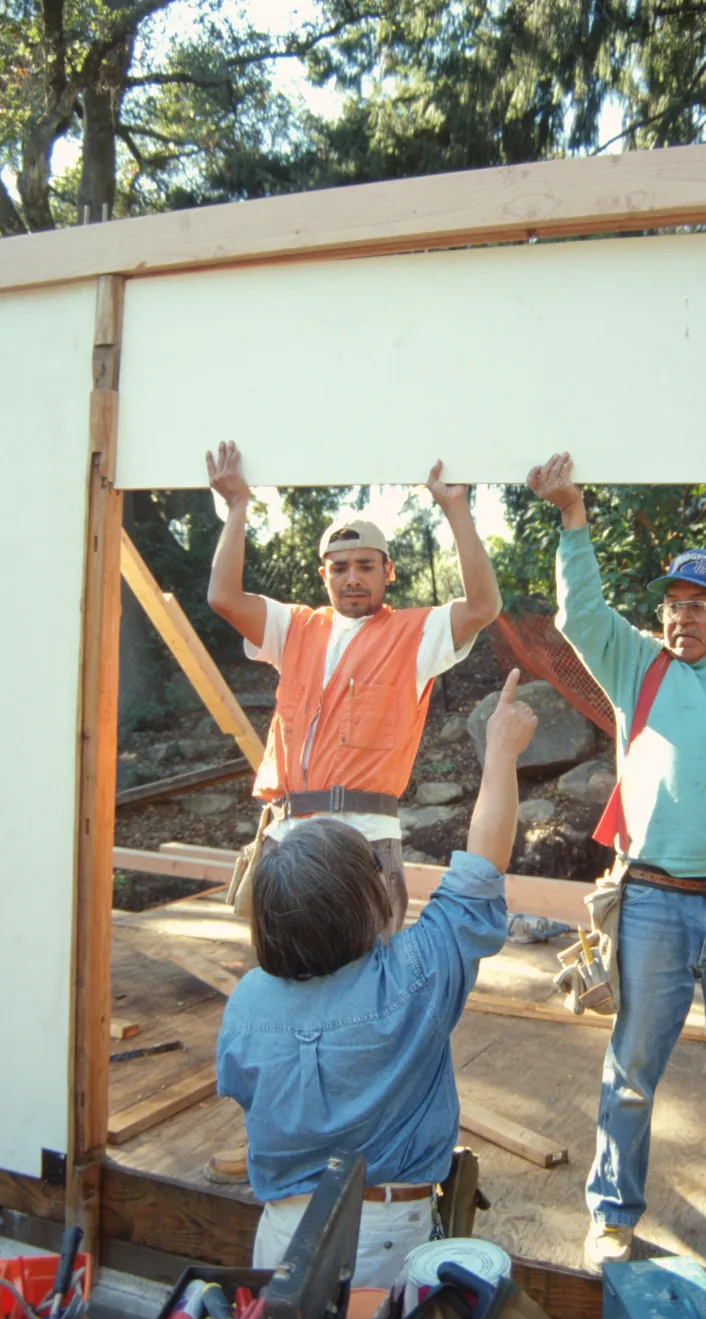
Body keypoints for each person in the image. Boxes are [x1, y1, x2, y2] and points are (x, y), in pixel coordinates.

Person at [528, 453, 706, 1274]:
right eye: (671, 604)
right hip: (652, 902)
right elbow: (581, 614)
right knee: (631, 1068)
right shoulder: (639, 667)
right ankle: (612, 1213)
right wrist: (572, 520)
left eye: (699, 604)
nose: (679, 616)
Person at [204, 439, 501, 1182]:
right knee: (277, 987)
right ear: (323, 575)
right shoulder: (295, 628)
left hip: (365, 839)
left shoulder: (416, 633)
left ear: (386, 574)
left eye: (365, 564)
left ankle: (369, 1140)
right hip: (289, 836)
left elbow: (483, 605)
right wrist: (237, 508)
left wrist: (456, 510)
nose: (351, 576)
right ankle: (266, 1135)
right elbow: (222, 598)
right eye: (338, 566)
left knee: (371, 991)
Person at [216, 670, 537, 1286]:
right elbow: (481, 869)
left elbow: (242, 1089)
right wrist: (501, 753)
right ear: (362, 904)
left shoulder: (248, 1000)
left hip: (280, 1233)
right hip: (386, 1239)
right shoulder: (413, 978)